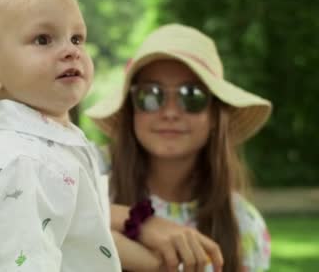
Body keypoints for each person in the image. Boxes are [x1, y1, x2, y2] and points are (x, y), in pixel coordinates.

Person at [0, 0, 122, 272]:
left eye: (77, 38)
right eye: (43, 39)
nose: (72, 50)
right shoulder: (25, 161)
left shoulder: (57, 142)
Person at [86, 24, 272, 272]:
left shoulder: (244, 225)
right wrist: (140, 223)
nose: (171, 112)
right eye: (150, 95)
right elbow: (30, 216)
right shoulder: (88, 171)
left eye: (191, 96)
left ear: (215, 116)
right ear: (132, 110)